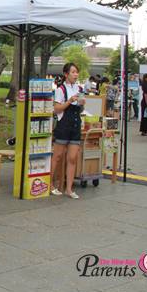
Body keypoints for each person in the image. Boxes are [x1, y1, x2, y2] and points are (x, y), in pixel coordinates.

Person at [50, 63, 85, 199]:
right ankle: (51, 184)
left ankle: (69, 189)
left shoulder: (79, 88)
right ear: (66, 74)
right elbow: (57, 109)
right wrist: (70, 101)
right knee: (57, 156)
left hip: (76, 125)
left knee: (72, 157)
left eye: (77, 72)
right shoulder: (61, 89)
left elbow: (80, 108)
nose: (76, 75)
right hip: (64, 124)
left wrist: (81, 104)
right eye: (73, 72)